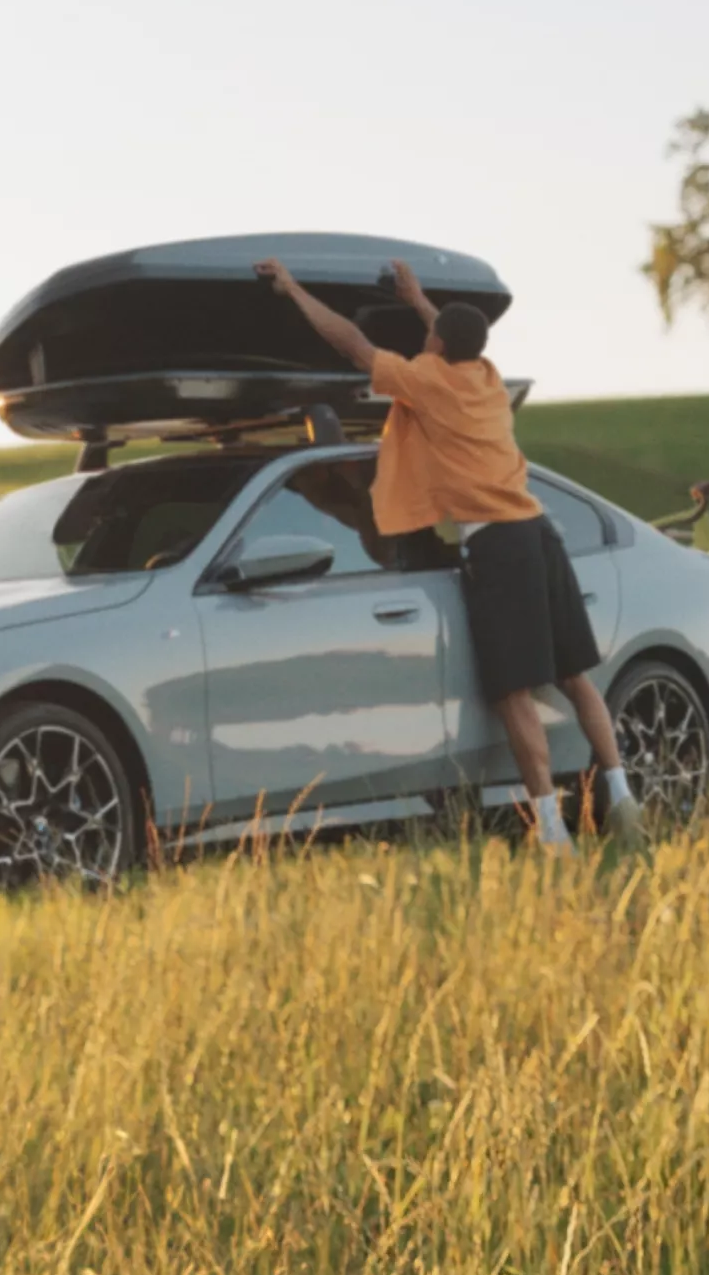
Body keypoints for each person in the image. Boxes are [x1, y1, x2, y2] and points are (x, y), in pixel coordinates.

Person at [256, 256, 647, 853]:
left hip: (499, 545)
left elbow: (352, 343)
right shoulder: (486, 376)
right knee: (575, 677)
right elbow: (455, 332)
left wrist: (292, 290)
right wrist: (418, 299)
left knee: (514, 692)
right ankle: (622, 797)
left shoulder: (427, 382)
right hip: (539, 533)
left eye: (431, 333)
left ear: (437, 344)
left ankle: (551, 830)